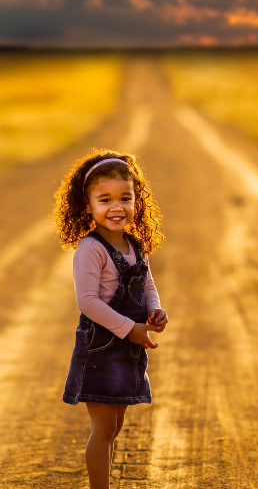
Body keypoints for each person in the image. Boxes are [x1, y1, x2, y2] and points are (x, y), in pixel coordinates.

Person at [51, 148, 168, 489]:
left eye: (125, 198)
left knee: (114, 427)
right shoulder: (91, 249)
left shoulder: (135, 244)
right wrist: (130, 328)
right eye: (105, 200)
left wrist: (154, 309)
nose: (116, 207)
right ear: (87, 205)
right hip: (101, 347)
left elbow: (147, 283)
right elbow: (87, 301)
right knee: (102, 430)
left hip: (128, 345)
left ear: (137, 201)